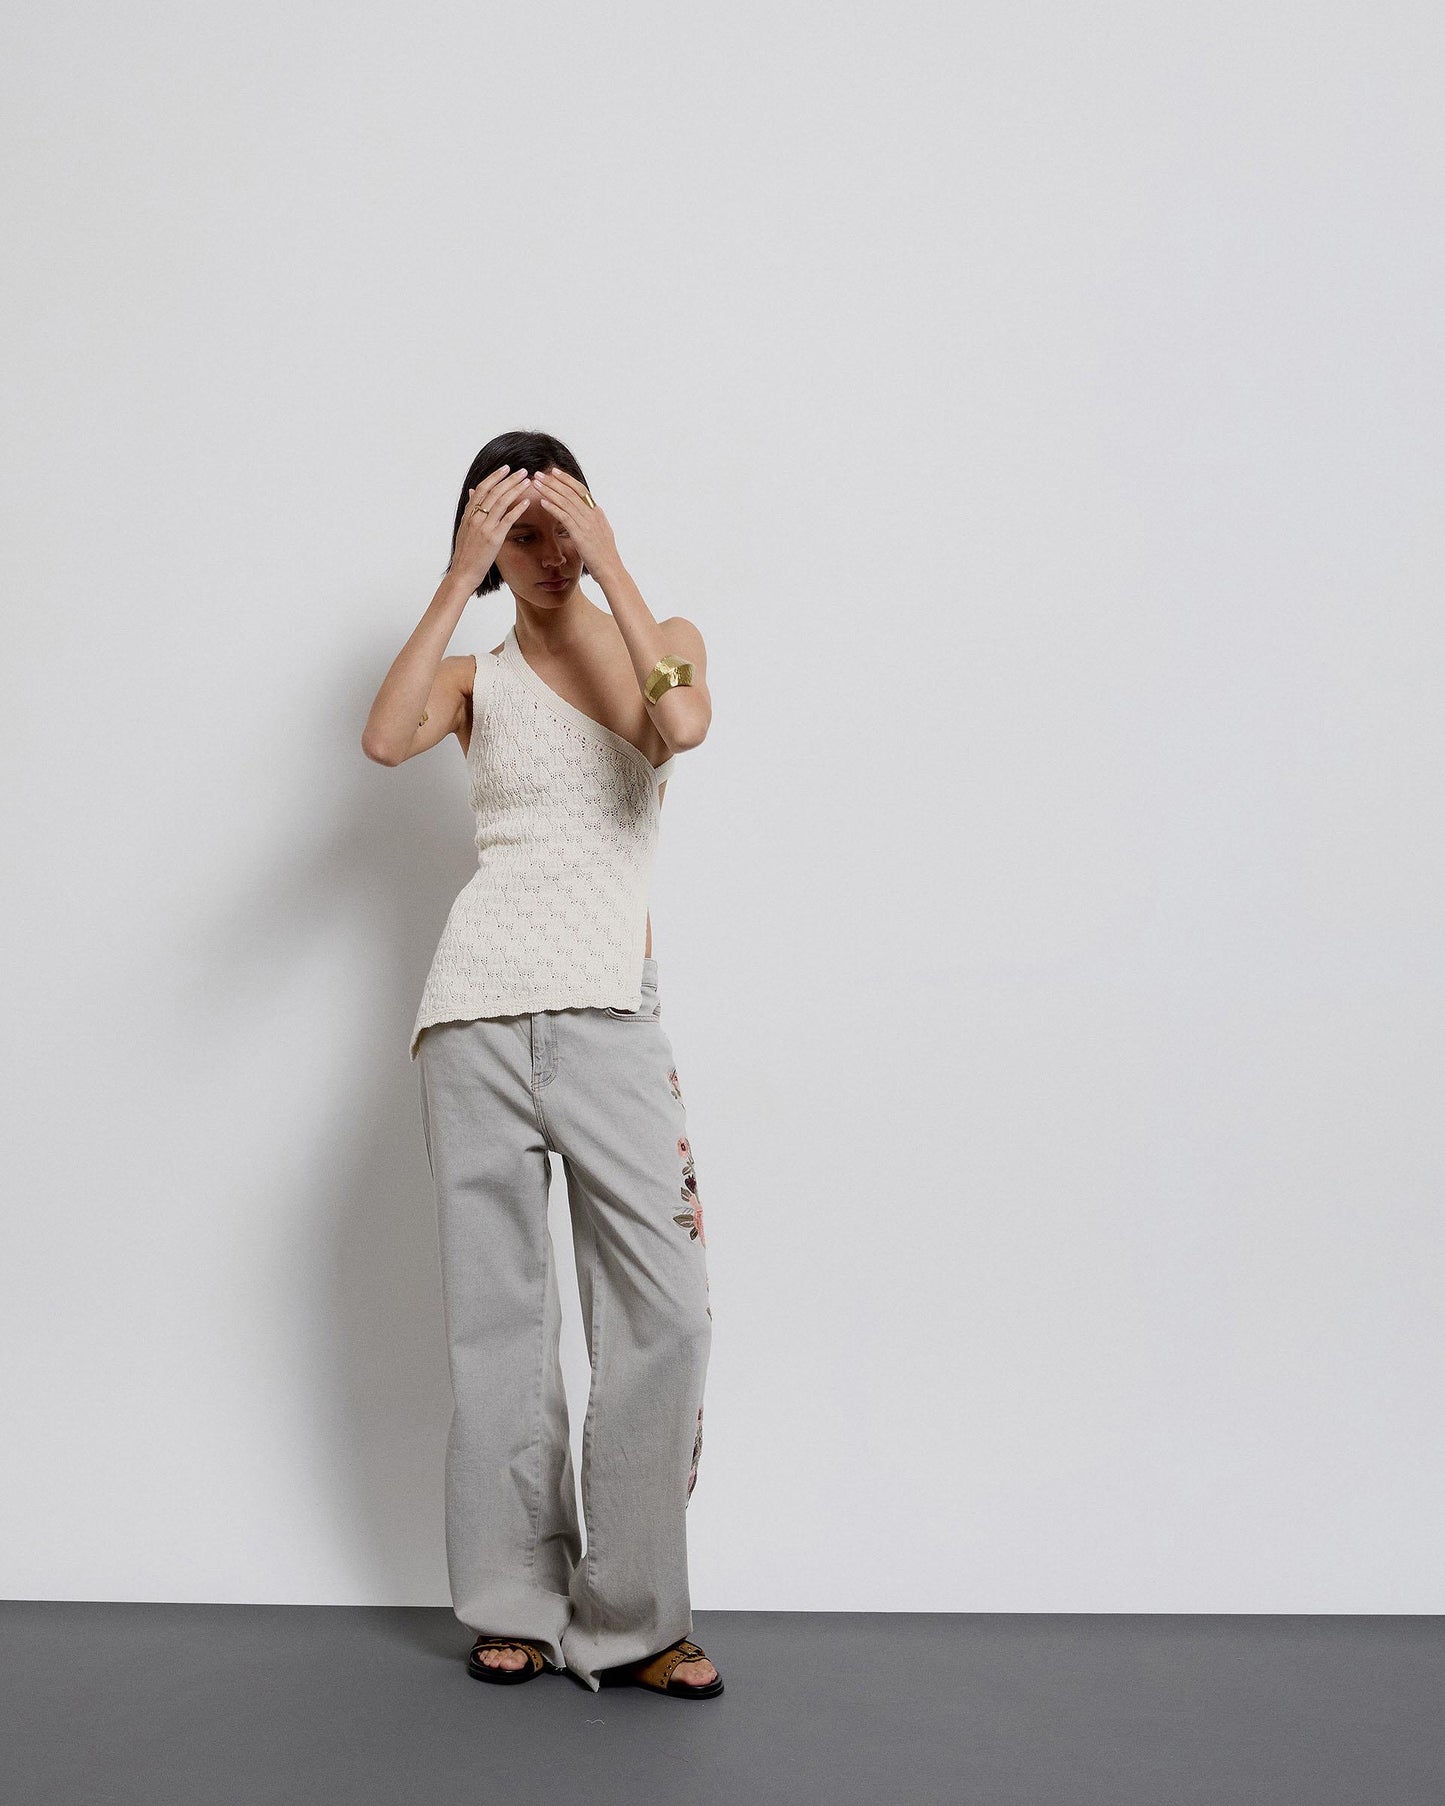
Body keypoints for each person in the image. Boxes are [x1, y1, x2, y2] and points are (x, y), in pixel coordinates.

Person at [362, 430, 720, 1699]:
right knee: (500, 1324)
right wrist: (455, 579)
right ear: (489, 550)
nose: (549, 552)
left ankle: (636, 1618)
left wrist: (610, 559)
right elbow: (383, 740)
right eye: (521, 535)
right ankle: (512, 1600)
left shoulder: (659, 634)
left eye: (562, 524)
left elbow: (680, 722)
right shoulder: (474, 677)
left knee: (665, 1314)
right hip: (471, 1012)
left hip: (609, 1011)